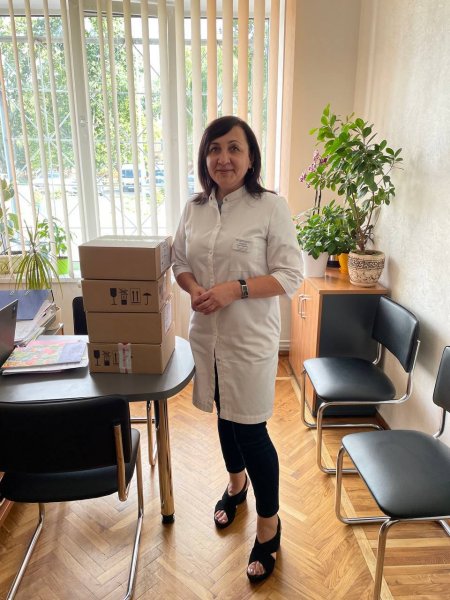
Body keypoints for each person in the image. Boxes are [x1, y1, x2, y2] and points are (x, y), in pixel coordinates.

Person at [172, 115, 303, 582]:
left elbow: (290, 275)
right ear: (204, 158)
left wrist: (235, 289)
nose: (223, 158)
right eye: (214, 149)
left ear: (250, 159)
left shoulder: (270, 206)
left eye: (233, 148)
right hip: (207, 335)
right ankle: (235, 485)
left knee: (251, 431)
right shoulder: (194, 208)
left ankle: (269, 527)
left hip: (249, 341)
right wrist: (193, 288)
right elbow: (180, 261)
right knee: (224, 416)